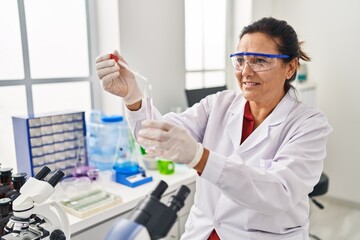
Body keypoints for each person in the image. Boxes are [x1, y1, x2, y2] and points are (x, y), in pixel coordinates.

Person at [96, 17, 332, 240]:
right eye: (240, 60)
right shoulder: (218, 104)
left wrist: (201, 158)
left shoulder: (309, 125)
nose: (246, 72)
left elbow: (278, 193)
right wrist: (133, 96)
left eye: (260, 61)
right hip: (202, 232)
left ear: (290, 68)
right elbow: (155, 138)